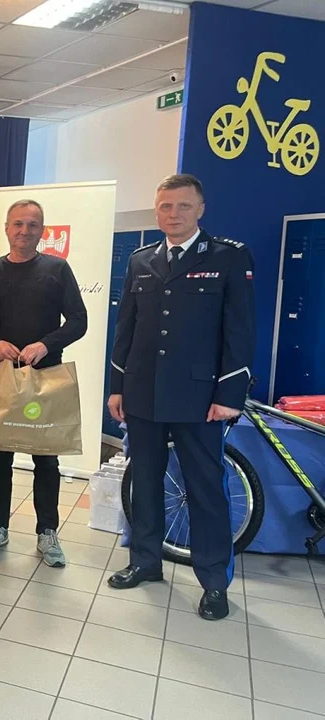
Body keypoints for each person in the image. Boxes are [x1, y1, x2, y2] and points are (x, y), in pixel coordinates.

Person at [107, 174, 255, 621]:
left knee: (205, 489)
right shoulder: (141, 259)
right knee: (145, 481)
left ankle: (214, 582)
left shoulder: (228, 256)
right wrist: (118, 385)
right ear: (157, 210)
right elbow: (126, 329)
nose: (173, 214)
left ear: (200, 209)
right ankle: (146, 561)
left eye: (183, 206)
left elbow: (240, 331)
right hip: (143, 393)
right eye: (166, 206)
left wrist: (230, 394)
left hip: (200, 398)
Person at [0, 199, 87, 568]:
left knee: (46, 457)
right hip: (1, 377)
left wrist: (45, 344)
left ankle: (47, 532)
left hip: (46, 378)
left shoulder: (57, 269)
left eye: (32, 225)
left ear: (42, 231)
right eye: (17, 224)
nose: (24, 231)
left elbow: (78, 320)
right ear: (6, 228)